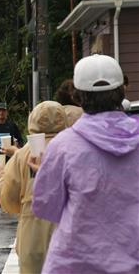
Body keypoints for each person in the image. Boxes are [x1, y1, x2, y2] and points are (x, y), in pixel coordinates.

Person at [30, 54, 139, 274]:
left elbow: (46, 208)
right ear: (122, 91)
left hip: (74, 264)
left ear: (78, 96)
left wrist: (44, 174)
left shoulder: (64, 146)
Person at [0, 101, 67, 274]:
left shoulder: (24, 153)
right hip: (69, 232)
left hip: (32, 235)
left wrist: (1, 175)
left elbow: (9, 201)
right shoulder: (74, 147)